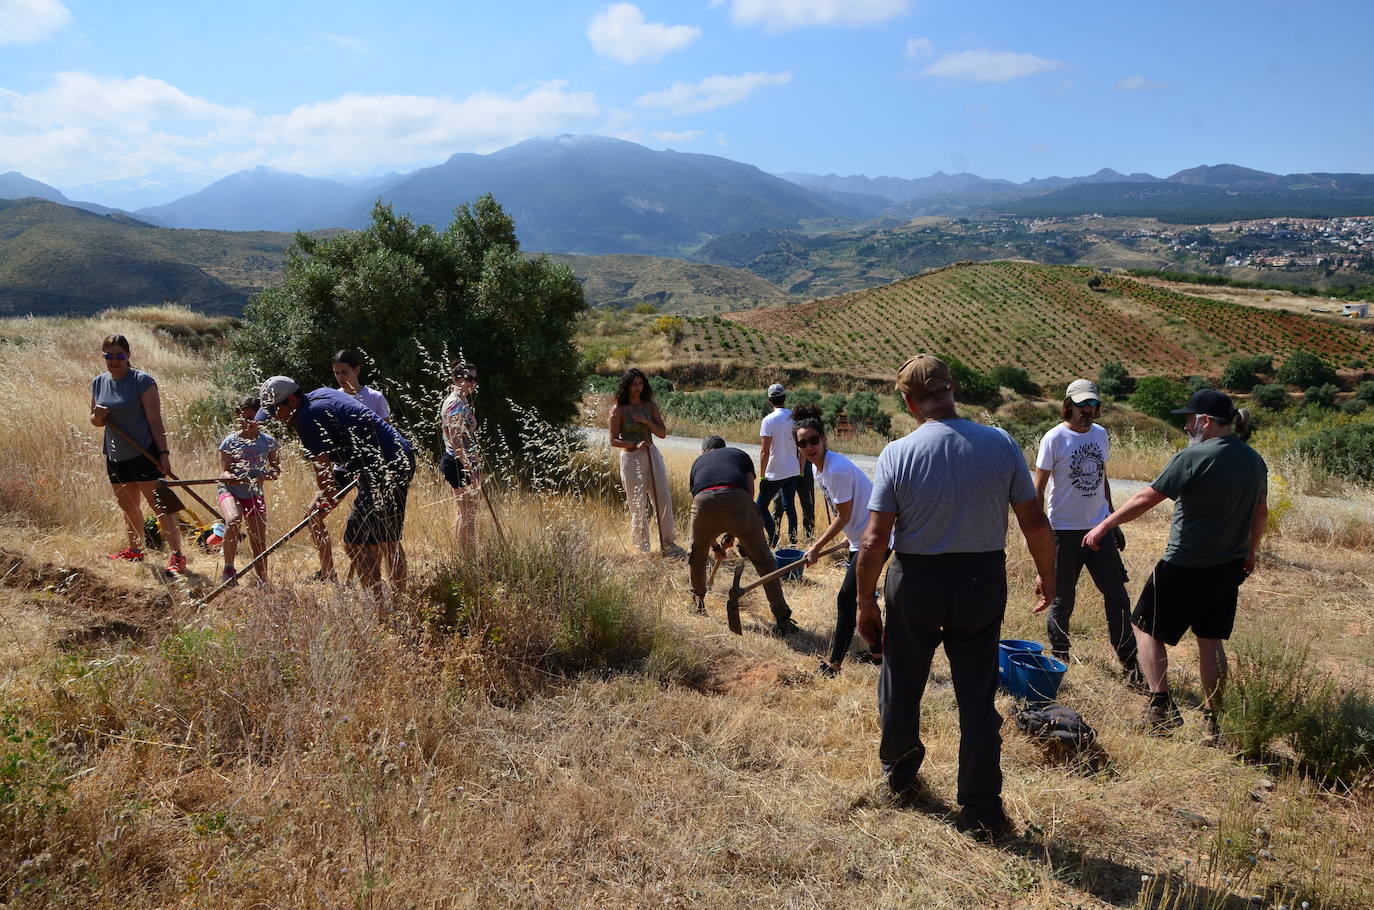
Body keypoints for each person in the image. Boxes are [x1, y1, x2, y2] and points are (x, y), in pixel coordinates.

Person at [854, 354, 1055, 839]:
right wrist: (1049, 578)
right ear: (952, 389)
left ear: (908, 400)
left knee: (902, 684)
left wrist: (864, 603)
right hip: (980, 580)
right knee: (977, 693)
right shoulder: (1000, 444)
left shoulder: (897, 453)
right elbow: (1034, 523)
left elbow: (874, 540)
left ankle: (901, 777)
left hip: (916, 578)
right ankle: (982, 807)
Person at [1084, 389, 1267, 740]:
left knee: (1144, 628)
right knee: (1210, 642)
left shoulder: (1194, 455)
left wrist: (1106, 524)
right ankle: (1214, 722)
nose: (1186, 425)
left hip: (1185, 563)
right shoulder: (1254, 460)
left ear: (1206, 421)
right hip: (1228, 566)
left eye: (1189, 418)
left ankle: (1161, 707)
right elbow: (1261, 511)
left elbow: (1146, 498)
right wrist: (1251, 552)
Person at [257, 376, 416, 591]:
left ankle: (381, 610)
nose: (275, 417)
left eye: (276, 410)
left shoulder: (306, 418)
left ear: (292, 400)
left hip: (383, 466)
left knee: (356, 543)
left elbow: (323, 471)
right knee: (387, 538)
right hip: (396, 457)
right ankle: (398, 601)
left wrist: (326, 495)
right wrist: (323, 499)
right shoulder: (321, 393)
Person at [1034, 380, 1141, 683]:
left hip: (1098, 529)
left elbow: (1103, 479)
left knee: (1117, 595)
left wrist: (1112, 519)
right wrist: (1041, 532)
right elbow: (1038, 488)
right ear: (1068, 405)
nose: (1087, 411)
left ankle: (1129, 661)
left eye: (1092, 405)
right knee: (1062, 597)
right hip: (1063, 531)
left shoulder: (1100, 435)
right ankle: (1060, 657)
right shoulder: (1054, 438)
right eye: (1082, 405)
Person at [792, 404, 885, 677]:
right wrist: (849, 538)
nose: (809, 447)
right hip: (862, 537)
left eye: (813, 440)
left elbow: (843, 515)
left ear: (824, 440)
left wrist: (815, 547)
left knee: (847, 598)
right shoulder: (818, 469)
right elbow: (844, 512)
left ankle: (834, 664)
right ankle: (878, 654)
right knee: (862, 598)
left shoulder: (835, 469)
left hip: (877, 538)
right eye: (802, 443)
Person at [89, 333, 187, 574]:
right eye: (109, 356)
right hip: (115, 455)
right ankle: (135, 550)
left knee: (161, 508)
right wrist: (98, 416)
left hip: (145, 453)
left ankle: (177, 556)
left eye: (119, 355)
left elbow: (155, 420)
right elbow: (95, 421)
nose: (114, 360)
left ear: (128, 356)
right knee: (129, 506)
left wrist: (164, 454)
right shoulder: (98, 382)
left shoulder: (143, 382)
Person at [687, 436, 797, 635]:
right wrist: (736, 529)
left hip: (704, 503)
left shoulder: (698, 463)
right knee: (764, 561)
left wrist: (714, 547)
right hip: (738, 500)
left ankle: (697, 603)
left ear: (705, 452)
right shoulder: (739, 455)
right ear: (723, 448)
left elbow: (701, 508)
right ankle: (782, 618)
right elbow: (748, 493)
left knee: (696, 557)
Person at [608, 368, 685, 558]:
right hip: (631, 457)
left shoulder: (650, 406)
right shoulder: (618, 409)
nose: (637, 387)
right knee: (637, 502)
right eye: (633, 384)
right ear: (626, 385)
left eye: (640, 383)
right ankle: (642, 548)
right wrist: (634, 443)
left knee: (662, 497)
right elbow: (613, 440)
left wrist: (645, 421)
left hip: (651, 454)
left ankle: (668, 543)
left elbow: (662, 433)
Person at [215, 396, 280, 586]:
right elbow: (224, 471)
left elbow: (276, 469)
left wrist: (267, 474)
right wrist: (230, 477)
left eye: (252, 418)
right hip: (231, 490)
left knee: (258, 538)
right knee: (234, 520)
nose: (247, 423)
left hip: (253, 492)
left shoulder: (268, 442)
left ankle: (262, 578)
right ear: (238, 417)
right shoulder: (230, 442)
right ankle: (228, 569)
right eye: (243, 418)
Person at [439, 360, 481, 555]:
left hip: (465, 462)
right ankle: (467, 556)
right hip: (457, 463)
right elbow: (456, 442)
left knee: (465, 511)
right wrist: (470, 469)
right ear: (456, 379)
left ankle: (464, 554)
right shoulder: (454, 403)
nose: (473, 383)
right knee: (467, 512)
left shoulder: (463, 401)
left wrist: (476, 464)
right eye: (468, 378)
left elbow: (468, 439)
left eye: (475, 378)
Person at [757, 383, 801, 547]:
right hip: (792, 469)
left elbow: (764, 452)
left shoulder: (768, 420)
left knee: (760, 506)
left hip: (775, 471)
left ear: (769, 400)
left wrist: (762, 475)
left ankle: (773, 537)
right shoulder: (794, 417)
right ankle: (793, 541)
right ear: (785, 398)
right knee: (789, 505)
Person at [332, 349, 391, 420]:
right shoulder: (333, 398)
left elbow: (386, 429)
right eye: (337, 373)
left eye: (345, 372)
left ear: (357, 370)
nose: (340, 377)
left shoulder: (375, 397)